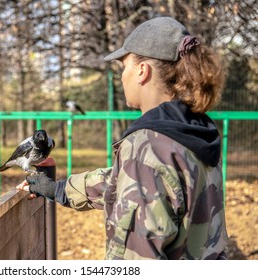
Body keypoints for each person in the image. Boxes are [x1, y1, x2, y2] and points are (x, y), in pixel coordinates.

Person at [17, 17, 228, 260]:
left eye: (123, 67)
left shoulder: (147, 148)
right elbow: (133, 184)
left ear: (142, 71)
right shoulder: (195, 131)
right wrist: (60, 189)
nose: (121, 77)